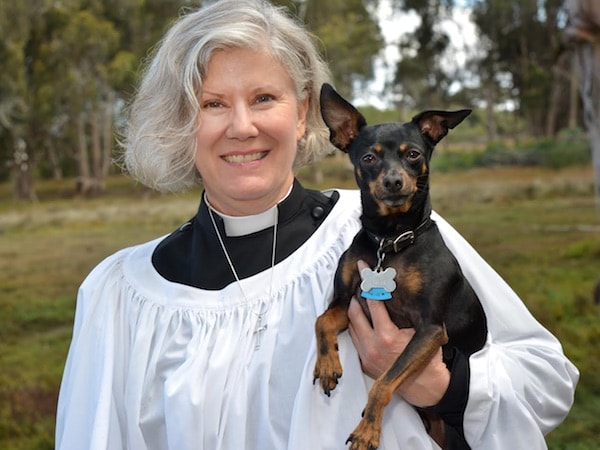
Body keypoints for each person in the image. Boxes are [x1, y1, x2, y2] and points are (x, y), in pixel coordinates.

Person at [55, 0, 579, 449]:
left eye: (264, 98)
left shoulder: (399, 237)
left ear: (304, 113)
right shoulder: (121, 297)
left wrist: (439, 383)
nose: (243, 126)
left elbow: (546, 380)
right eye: (213, 104)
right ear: (178, 122)